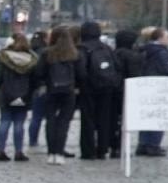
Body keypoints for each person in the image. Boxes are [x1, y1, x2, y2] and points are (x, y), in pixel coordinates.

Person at [75, 21, 120, 162]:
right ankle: (102, 148)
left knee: (87, 119)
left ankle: (88, 150)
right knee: (104, 119)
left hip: (88, 88)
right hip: (106, 87)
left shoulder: (82, 48)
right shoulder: (106, 48)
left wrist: (81, 83)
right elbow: (117, 67)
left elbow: (81, 70)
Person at [0, 33, 38, 162]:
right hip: (23, 95)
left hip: (5, 94)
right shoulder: (31, 59)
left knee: (4, 121)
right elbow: (35, 80)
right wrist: (30, 92)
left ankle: (0, 151)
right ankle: (18, 152)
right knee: (19, 123)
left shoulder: (4, 57)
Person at [41, 25, 80, 165]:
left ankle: (51, 153)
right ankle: (59, 152)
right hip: (69, 91)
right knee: (64, 122)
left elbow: (39, 72)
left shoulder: (47, 53)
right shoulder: (74, 53)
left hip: (51, 90)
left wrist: (43, 84)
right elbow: (81, 73)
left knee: (50, 121)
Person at [136, 27, 168, 157]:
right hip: (159, 88)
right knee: (158, 116)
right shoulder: (161, 52)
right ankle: (153, 145)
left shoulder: (144, 50)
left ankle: (143, 144)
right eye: (167, 37)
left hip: (145, 86)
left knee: (146, 116)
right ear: (160, 38)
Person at [113, 28, 145, 147]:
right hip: (125, 91)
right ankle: (119, 145)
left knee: (112, 119)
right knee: (124, 119)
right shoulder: (132, 55)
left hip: (112, 89)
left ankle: (112, 143)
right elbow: (134, 75)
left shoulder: (113, 53)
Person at [26, 30, 50, 148]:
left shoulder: (30, 52)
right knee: (49, 117)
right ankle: (50, 140)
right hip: (45, 87)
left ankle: (33, 140)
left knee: (36, 117)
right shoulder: (46, 52)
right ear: (44, 39)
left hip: (35, 88)